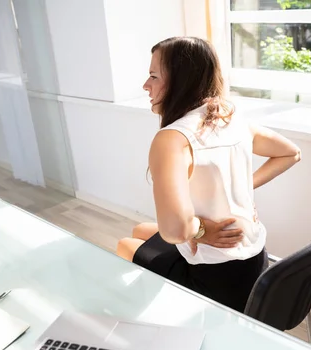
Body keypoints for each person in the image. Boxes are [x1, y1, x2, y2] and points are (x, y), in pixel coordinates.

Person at [116, 37, 301, 312]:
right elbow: (291, 153)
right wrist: (242, 189)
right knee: (139, 230)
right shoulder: (229, 118)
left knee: (124, 244)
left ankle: (156, 315)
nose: (146, 85)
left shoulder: (172, 139)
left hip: (214, 282)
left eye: (154, 76)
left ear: (182, 81)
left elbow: (175, 230)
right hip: (253, 266)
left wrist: (200, 230)